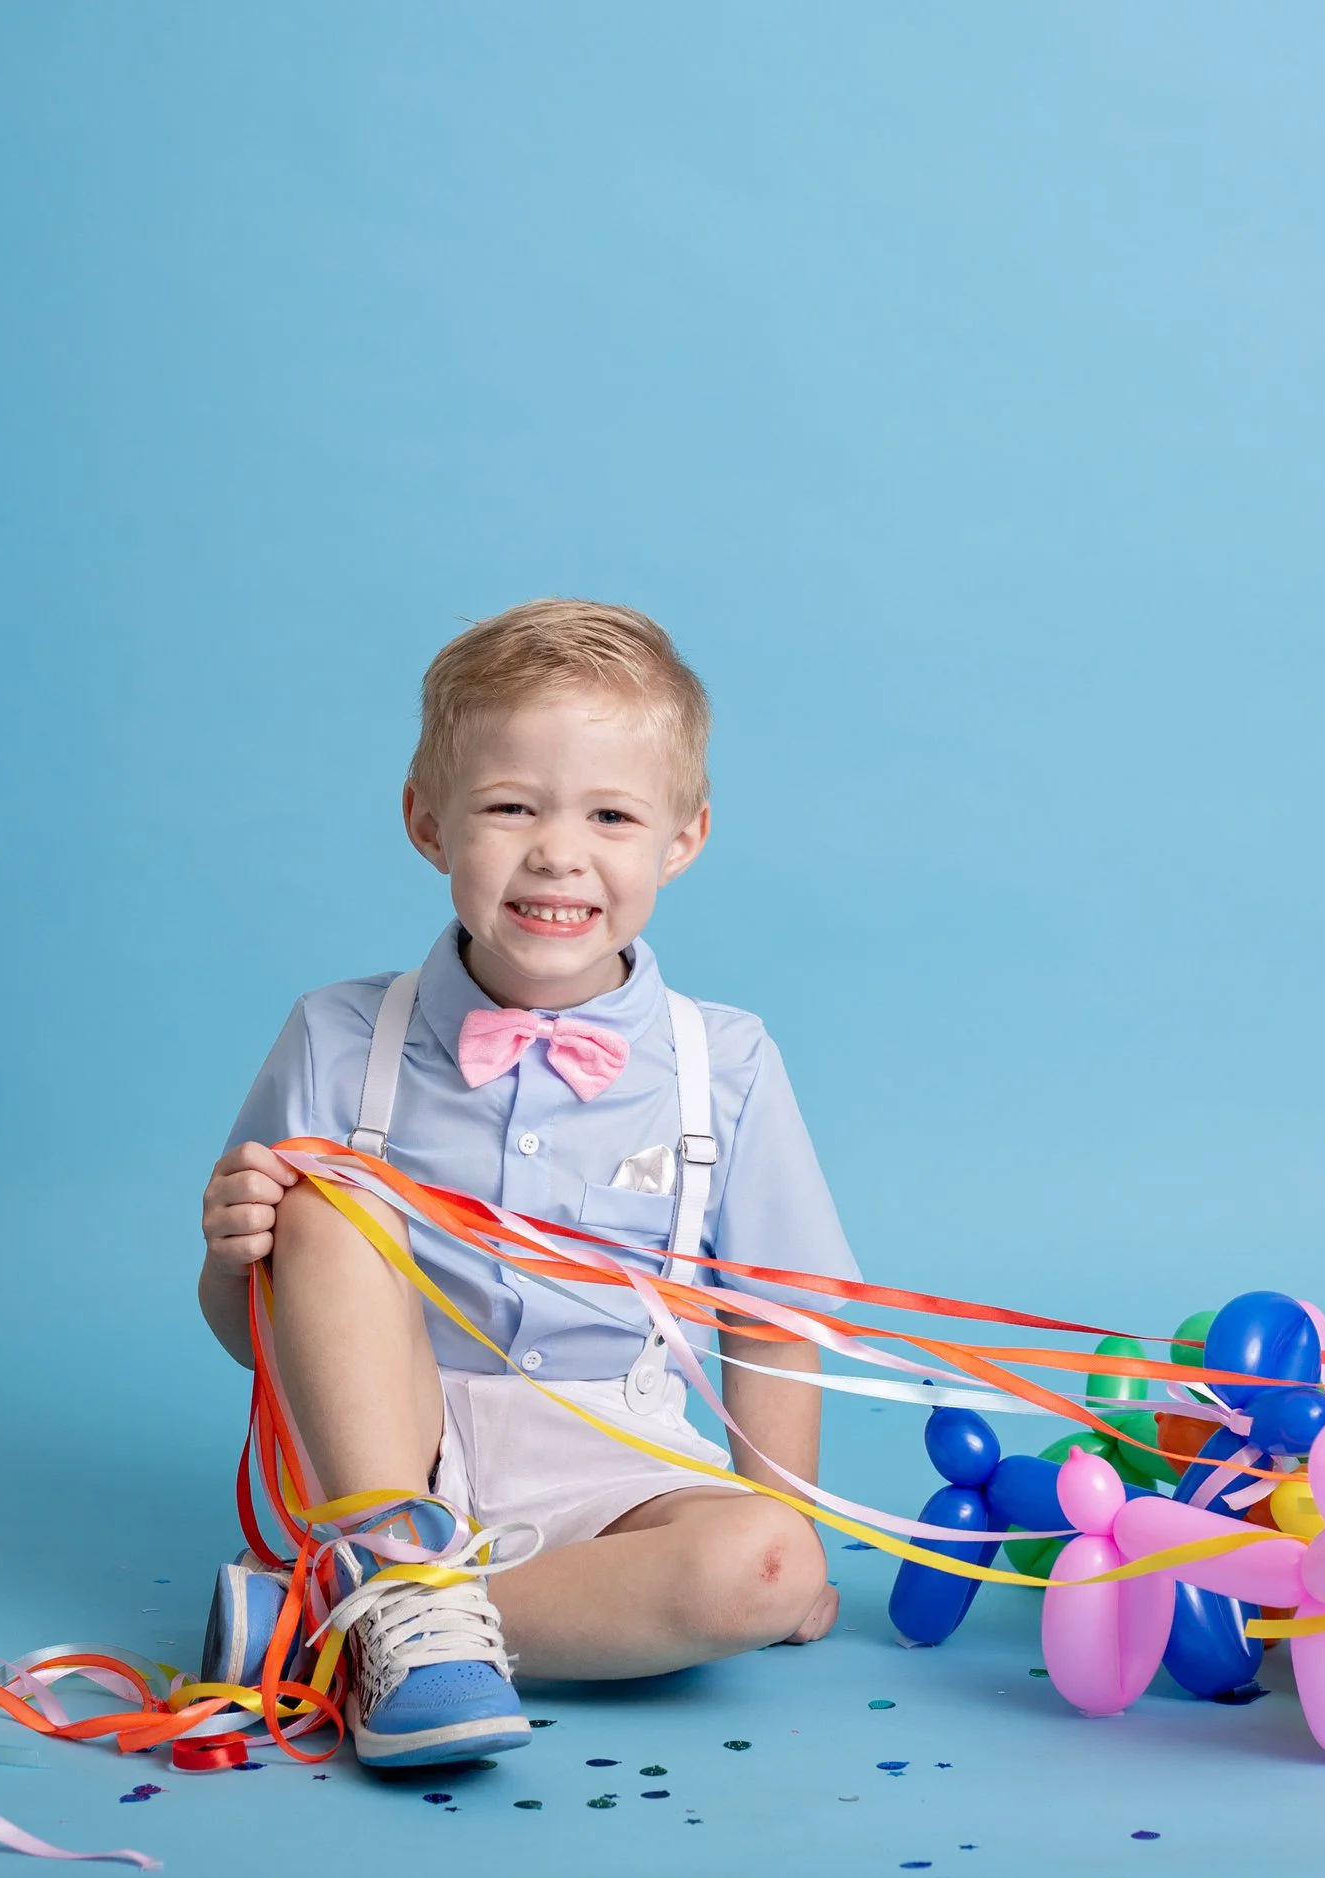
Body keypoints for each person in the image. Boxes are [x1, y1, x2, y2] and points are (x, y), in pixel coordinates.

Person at [193, 599, 855, 1771]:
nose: (559, 852)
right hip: (386, 1457)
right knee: (328, 1203)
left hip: (618, 1469)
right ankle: (392, 1579)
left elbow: (770, 1320)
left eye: (611, 814)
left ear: (682, 839)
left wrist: (782, 1520)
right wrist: (237, 1252)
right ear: (426, 821)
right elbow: (254, 1339)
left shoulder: (727, 1060)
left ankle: (341, 1636)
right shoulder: (339, 1036)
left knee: (769, 1561)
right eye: (510, 807)